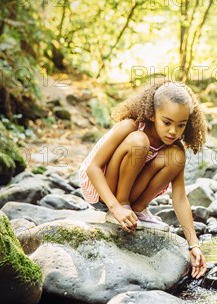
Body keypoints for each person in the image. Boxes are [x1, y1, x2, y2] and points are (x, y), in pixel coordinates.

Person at [78, 80, 207, 279]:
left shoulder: (175, 145)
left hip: (129, 192)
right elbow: (92, 169)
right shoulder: (131, 126)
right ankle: (123, 205)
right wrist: (115, 207)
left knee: (176, 157)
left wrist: (194, 245)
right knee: (140, 142)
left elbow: (180, 198)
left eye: (181, 125)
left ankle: (136, 209)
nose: (173, 131)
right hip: (101, 189)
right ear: (151, 114)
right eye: (167, 122)